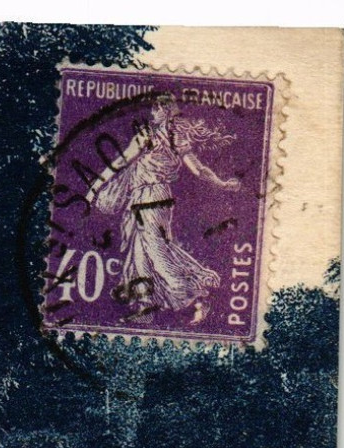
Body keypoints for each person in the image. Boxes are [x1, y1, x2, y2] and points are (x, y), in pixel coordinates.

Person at [87, 97, 241, 326]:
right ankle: (146, 306)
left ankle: (196, 298)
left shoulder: (149, 136)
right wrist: (222, 183)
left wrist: (95, 187)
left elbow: (120, 162)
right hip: (150, 198)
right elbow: (199, 169)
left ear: (167, 111)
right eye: (154, 108)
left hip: (150, 197)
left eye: (158, 108)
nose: (153, 112)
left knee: (157, 252)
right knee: (139, 252)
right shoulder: (176, 138)